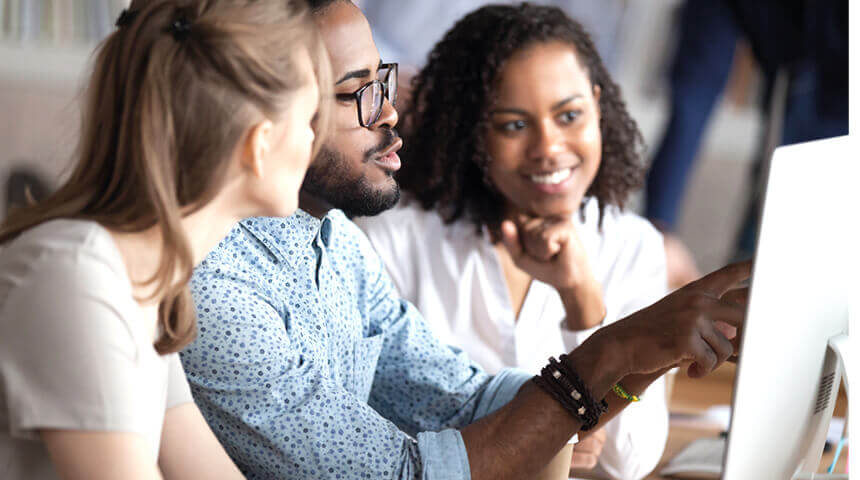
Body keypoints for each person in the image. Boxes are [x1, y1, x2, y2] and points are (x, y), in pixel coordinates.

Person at [182, 1, 750, 479]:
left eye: (382, 80)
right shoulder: (219, 289)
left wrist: (651, 349)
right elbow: (407, 473)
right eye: (358, 91)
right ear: (270, 114)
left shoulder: (334, 241)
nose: (389, 112)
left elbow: (471, 401)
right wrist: (616, 349)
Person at [0, 0, 329, 478]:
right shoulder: (77, 278)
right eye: (308, 117)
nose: (313, 140)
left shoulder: (150, 284)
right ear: (258, 145)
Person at [355, 4, 667, 478]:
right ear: (472, 134)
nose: (549, 147)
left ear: (598, 107)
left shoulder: (630, 245)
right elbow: (361, 432)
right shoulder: (396, 240)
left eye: (570, 115)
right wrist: (539, 427)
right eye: (514, 125)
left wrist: (583, 304)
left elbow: (632, 460)